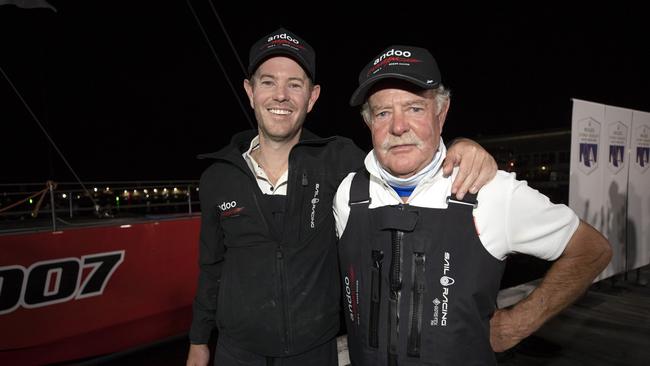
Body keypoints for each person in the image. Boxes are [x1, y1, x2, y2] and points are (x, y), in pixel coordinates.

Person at [186, 29, 498, 366]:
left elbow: (401, 158)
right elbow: (211, 266)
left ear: (313, 96)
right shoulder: (218, 177)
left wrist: (462, 146)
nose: (281, 96)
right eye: (267, 82)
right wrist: (199, 341)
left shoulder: (341, 159)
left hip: (314, 353)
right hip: (235, 352)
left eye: (294, 84)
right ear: (249, 91)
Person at [334, 44, 612, 366]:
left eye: (414, 109)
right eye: (383, 113)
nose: (398, 127)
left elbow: (592, 249)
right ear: (369, 122)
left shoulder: (490, 191)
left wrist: (517, 324)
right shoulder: (348, 194)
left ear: (442, 111)